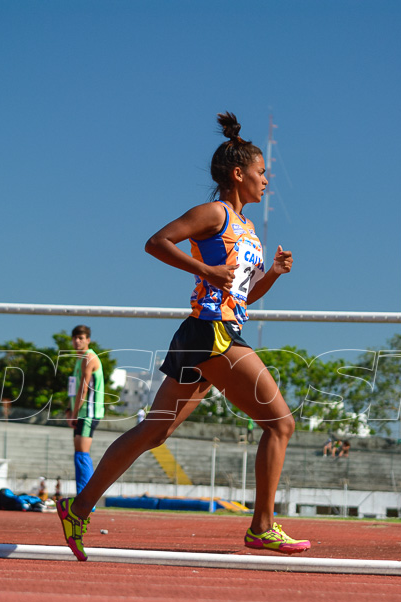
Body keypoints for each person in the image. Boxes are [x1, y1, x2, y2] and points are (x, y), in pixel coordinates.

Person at [58, 112, 309, 561]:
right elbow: (157, 242)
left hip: (214, 331)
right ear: (239, 173)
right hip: (212, 333)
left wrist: (271, 272)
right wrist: (206, 268)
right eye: (262, 171)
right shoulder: (214, 213)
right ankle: (262, 528)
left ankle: (77, 508)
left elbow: (243, 293)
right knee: (280, 424)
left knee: (154, 431)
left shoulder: (248, 228)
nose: (267, 179)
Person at [65, 324, 104, 496]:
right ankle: (82, 495)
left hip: (89, 412)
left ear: (88, 340)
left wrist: (74, 413)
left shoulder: (89, 357)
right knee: (78, 453)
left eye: (81, 338)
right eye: (75, 338)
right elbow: (73, 388)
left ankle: (87, 497)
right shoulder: (79, 360)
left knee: (82, 453)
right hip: (80, 412)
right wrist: (69, 409)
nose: (77, 341)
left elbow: (84, 388)